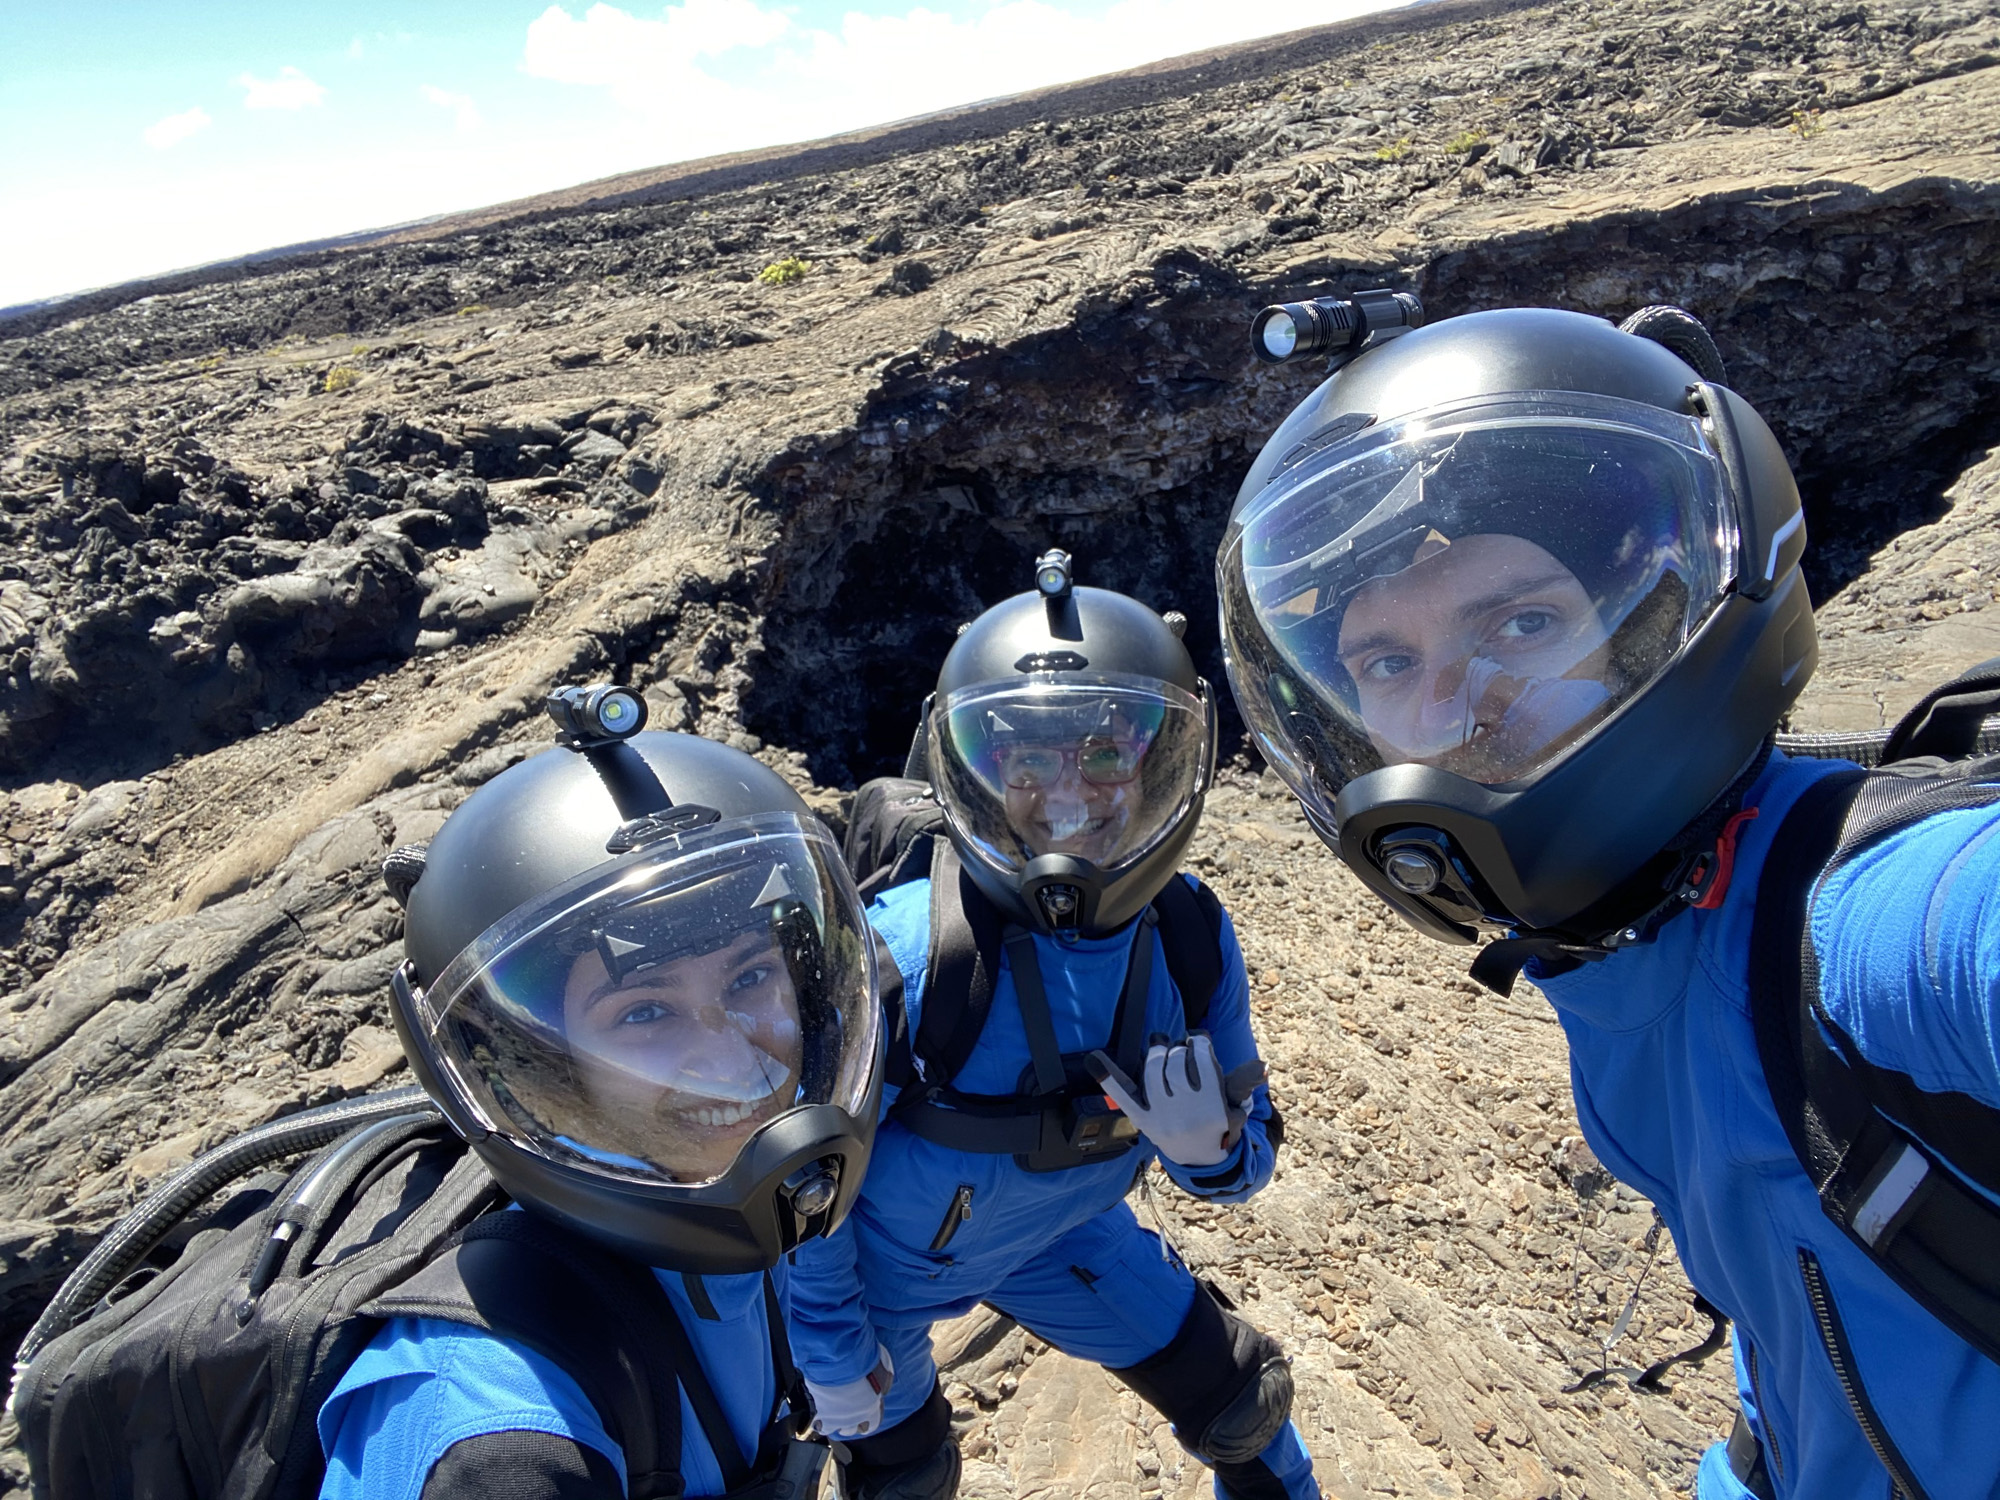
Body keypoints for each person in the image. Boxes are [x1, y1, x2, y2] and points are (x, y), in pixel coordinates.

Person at [1216, 301, 2000, 1498]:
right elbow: (1796, 1318)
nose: (1456, 707)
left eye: (1521, 624)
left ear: (1661, 618)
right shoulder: (1612, 962)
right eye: (1385, 663)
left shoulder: (1870, 923)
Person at [788, 556, 1322, 1500]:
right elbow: (807, 1187)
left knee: (1245, 1404)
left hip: (1056, 1228)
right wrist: (831, 1346)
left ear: (1164, 768)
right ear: (977, 774)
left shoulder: (1189, 932)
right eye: (1027, 760)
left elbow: (1248, 1166)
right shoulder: (909, 955)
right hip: (879, 1279)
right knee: (902, 1478)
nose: (1069, 790)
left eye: (1108, 754)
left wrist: (1214, 1151)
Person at [318, 688, 886, 1500]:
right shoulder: (492, 1441)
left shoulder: (708, 1202)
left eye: (752, 974)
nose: (729, 1059)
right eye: (646, 1012)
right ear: (539, 1066)